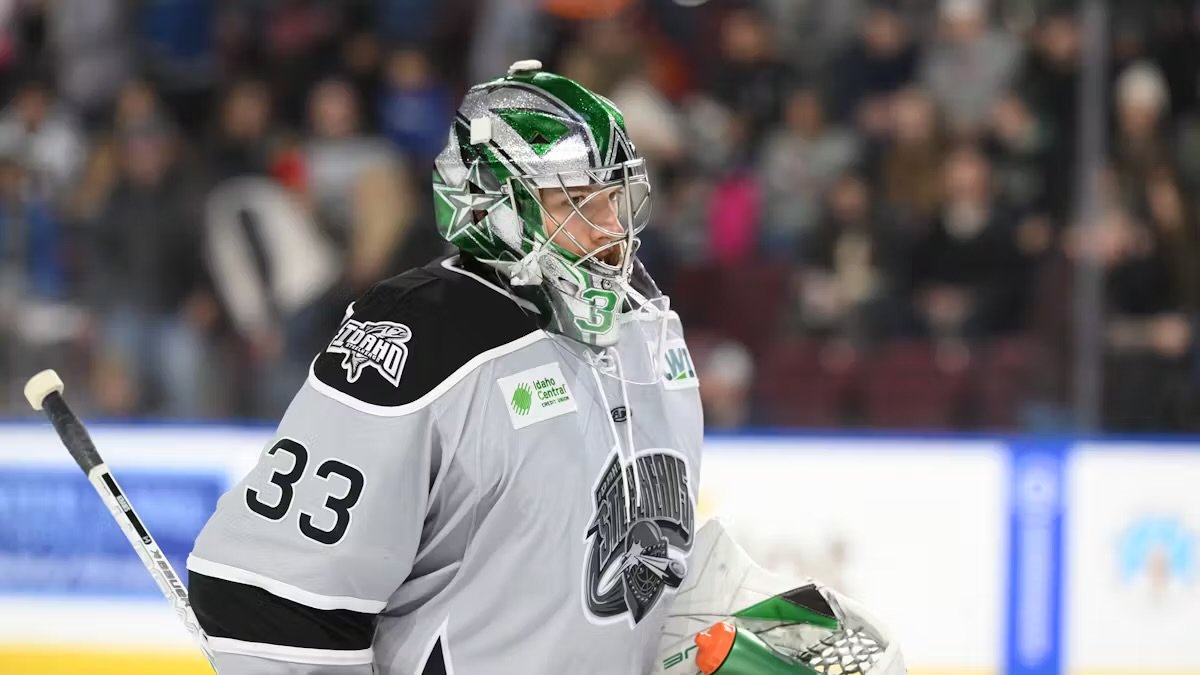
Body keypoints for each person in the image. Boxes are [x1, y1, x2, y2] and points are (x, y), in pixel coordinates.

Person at [186, 60, 705, 674]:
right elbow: (270, 595)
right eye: (575, 202)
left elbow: (648, 576)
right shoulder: (419, 336)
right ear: (491, 205)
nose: (612, 230)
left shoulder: (648, 328)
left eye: (614, 198)